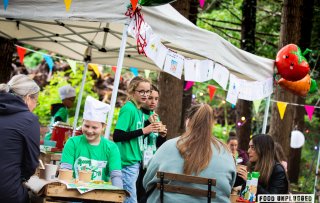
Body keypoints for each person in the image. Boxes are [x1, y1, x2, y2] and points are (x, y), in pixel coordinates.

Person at [143, 104, 236, 203]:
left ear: (187, 121)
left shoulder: (167, 147)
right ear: (212, 124)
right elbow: (230, 186)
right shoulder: (225, 153)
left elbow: (147, 182)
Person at [113, 76, 161, 203]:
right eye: (141, 91)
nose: (145, 95)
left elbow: (136, 137)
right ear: (132, 91)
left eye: (148, 91)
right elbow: (117, 136)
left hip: (135, 162)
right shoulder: (129, 109)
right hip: (126, 162)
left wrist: (150, 127)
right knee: (130, 200)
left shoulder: (138, 110)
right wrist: (145, 130)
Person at [60, 96, 123, 188]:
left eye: (94, 127)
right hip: (73, 193)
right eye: (86, 126)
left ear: (103, 127)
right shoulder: (72, 143)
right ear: (82, 123)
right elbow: (65, 169)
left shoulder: (111, 147)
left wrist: (118, 194)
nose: (89, 131)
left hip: (99, 194)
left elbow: (116, 175)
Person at [0, 74, 40, 203]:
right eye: (36, 101)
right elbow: (31, 163)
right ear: (28, 98)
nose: (35, 105)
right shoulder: (28, 119)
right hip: (6, 192)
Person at [137, 84, 167, 202]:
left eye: (156, 99)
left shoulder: (155, 116)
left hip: (150, 162)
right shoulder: (138, 114)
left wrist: (162, 135)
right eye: (150, 98)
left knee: (146, 194)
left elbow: (156, 142)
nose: (153, 102)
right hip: (138, 161)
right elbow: (135, 135)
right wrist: (146, 124)